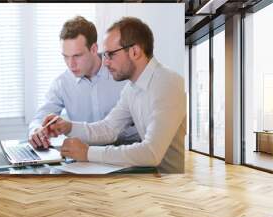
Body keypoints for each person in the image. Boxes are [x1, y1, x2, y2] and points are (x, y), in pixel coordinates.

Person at [42, 17, 186, 173]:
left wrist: (88, 153)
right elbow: (109, 128)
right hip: (149, 179)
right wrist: (68, 127)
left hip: (170, 185)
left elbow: (151, 152)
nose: (105, 62)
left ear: (134, 52)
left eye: (110, 54)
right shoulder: (131, 89)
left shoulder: (167, 83)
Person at [28, 16, 138, 149]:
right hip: (85, 157)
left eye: (77, 56)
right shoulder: (62, 83)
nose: (71, 64)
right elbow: (41, 116)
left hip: (127, 153)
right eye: (66, 57)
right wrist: (36, 131)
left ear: (94, 49)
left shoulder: (123, 73)